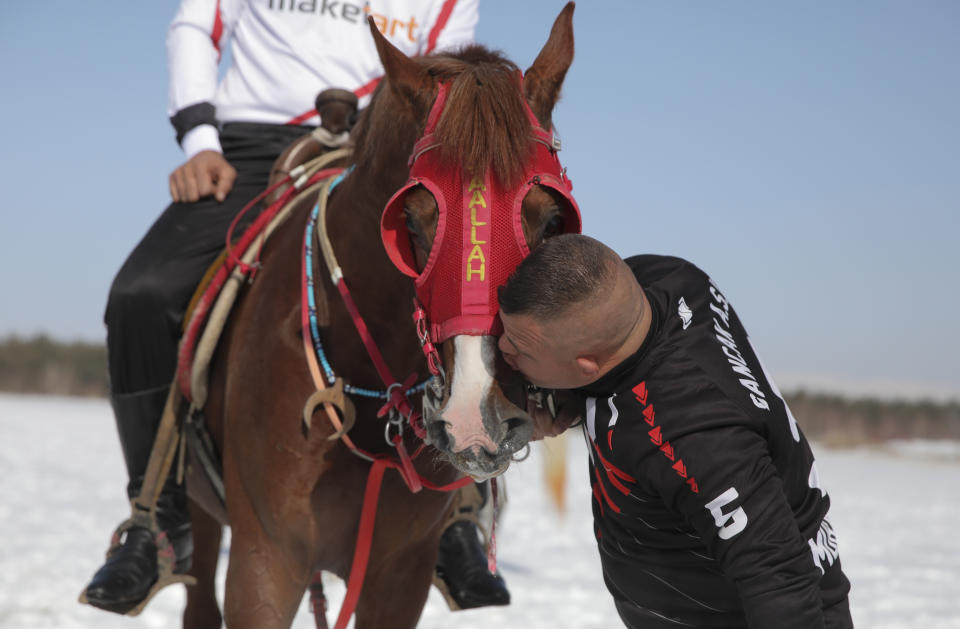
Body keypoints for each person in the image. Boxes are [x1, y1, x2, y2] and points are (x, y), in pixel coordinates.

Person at [83, 0, 509, 614]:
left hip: (387, 149)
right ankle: (157, 519)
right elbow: (196, 27)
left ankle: (456, 513)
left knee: (461, 279)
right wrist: (201, 142)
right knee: (140, 297)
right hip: (251, 149)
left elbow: (448, 82)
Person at [497, 234, 853, 628]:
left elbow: (778, 578)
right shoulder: (665, 278)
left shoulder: (697, 437)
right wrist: (569, 397)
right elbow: (594, 313)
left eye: (519, 349)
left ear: (587, 365)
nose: (503, 347)